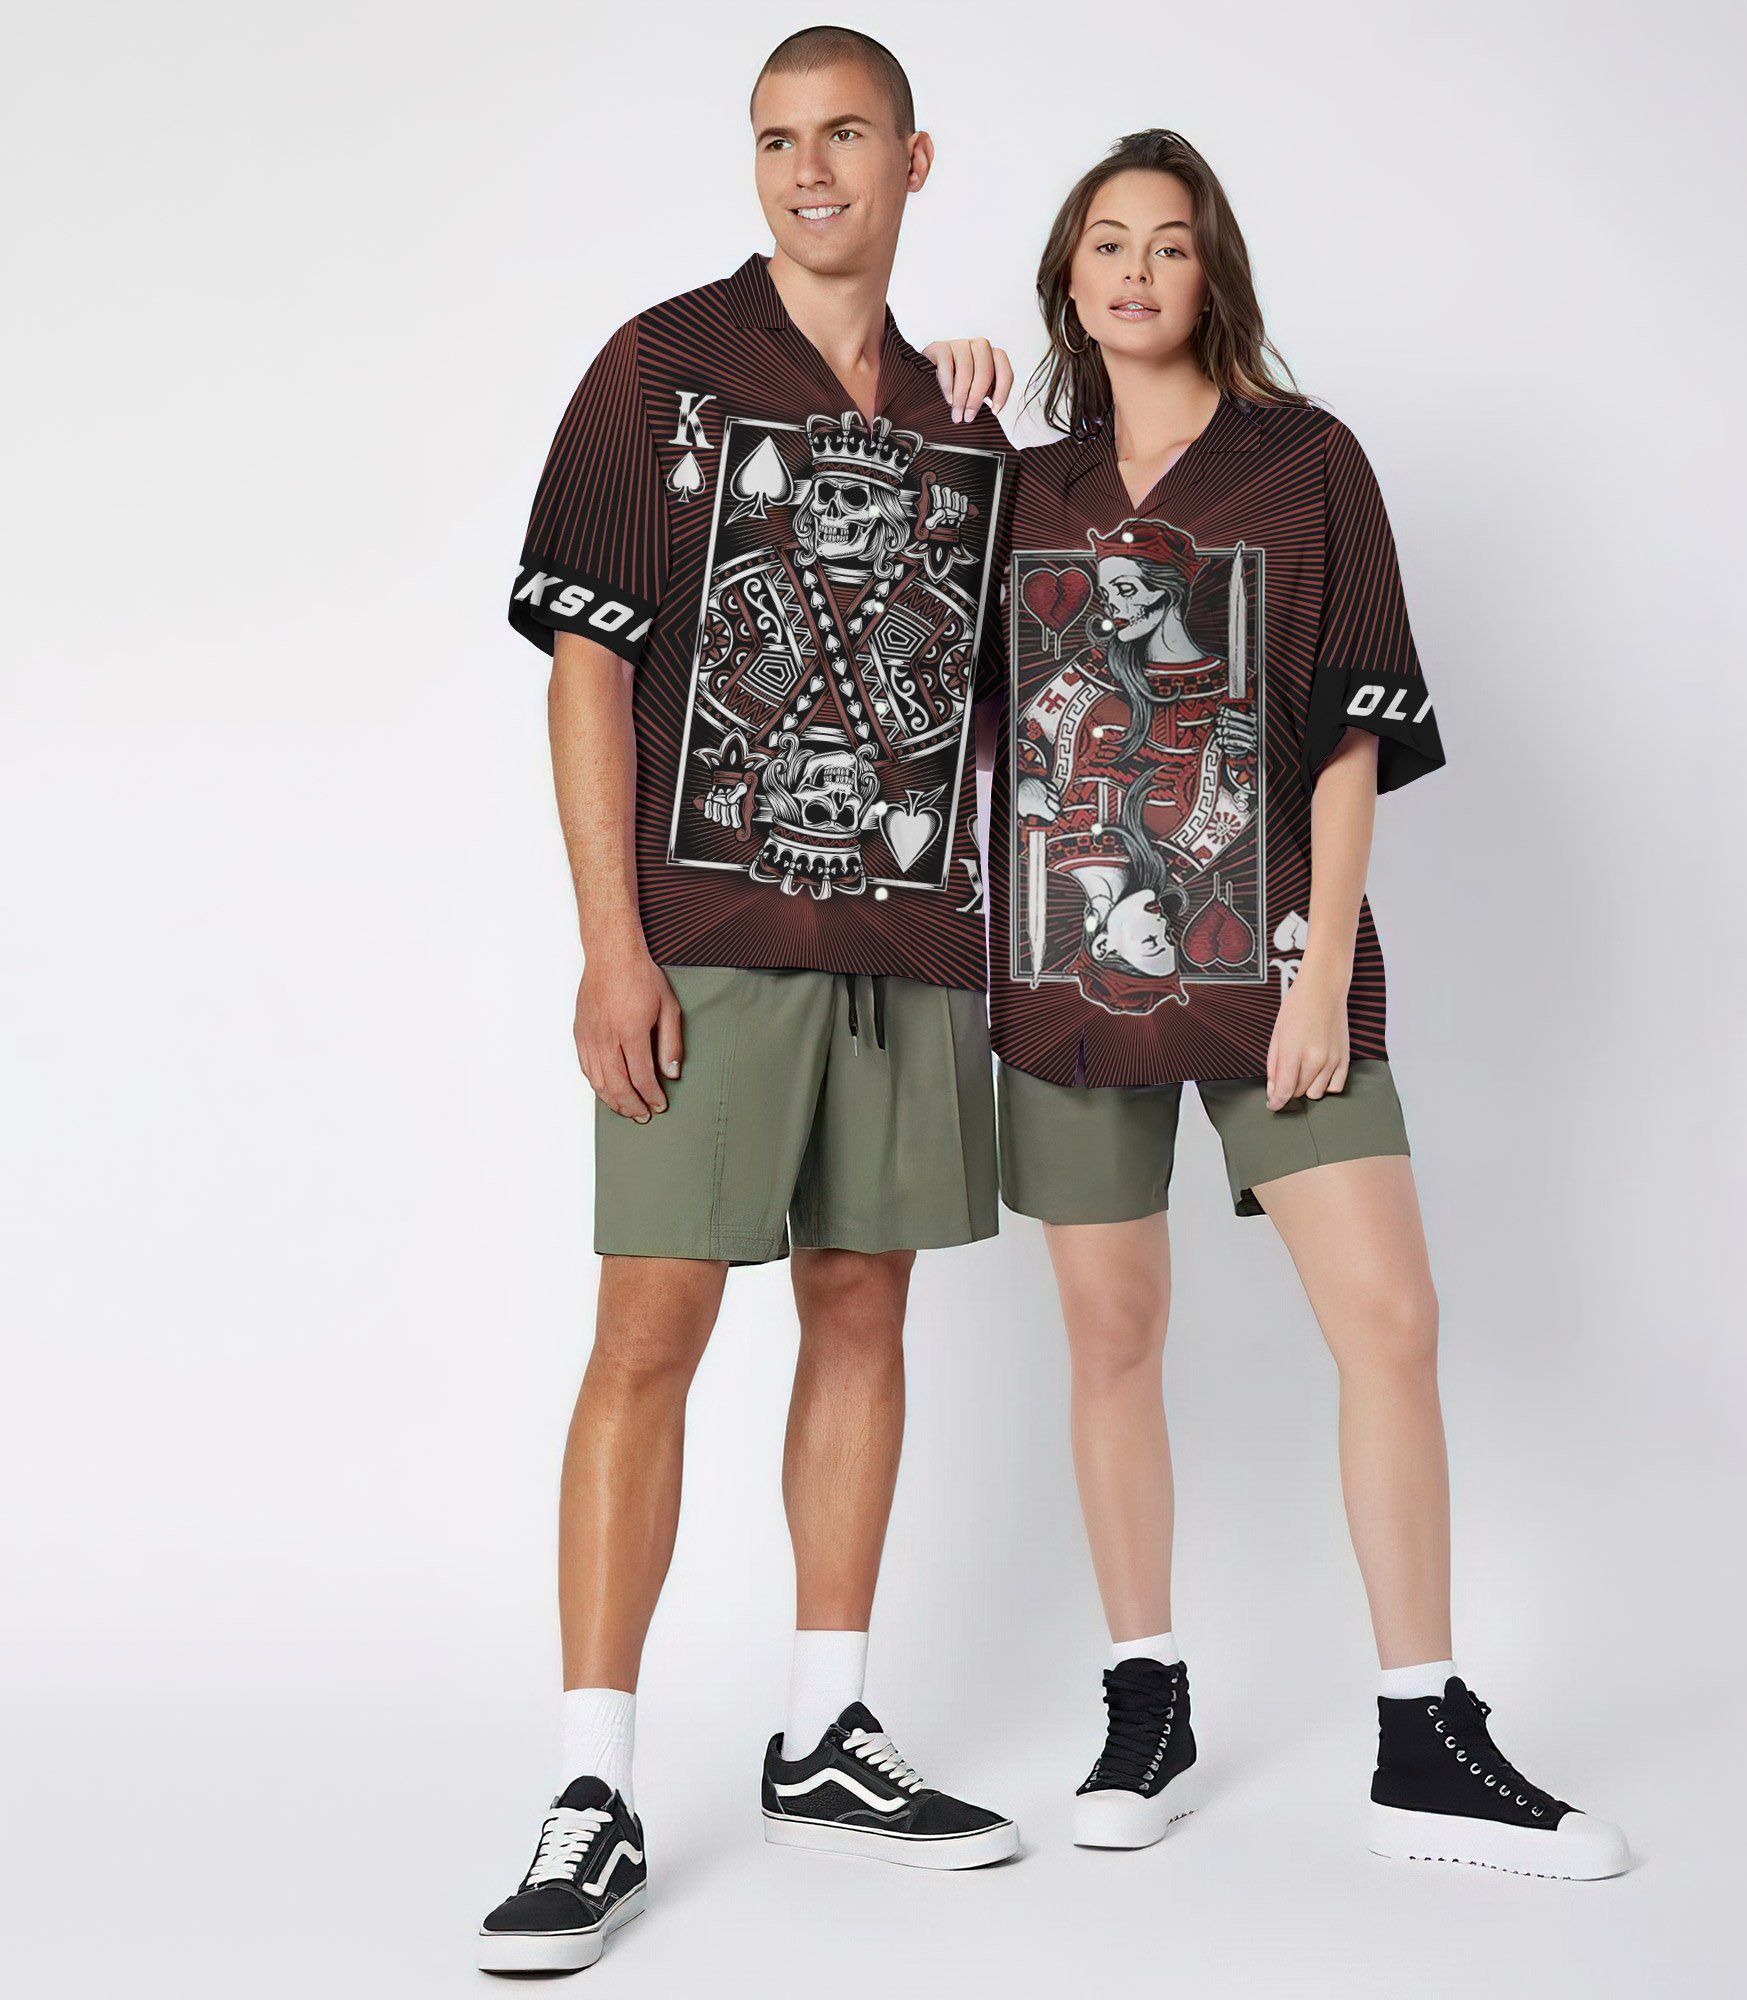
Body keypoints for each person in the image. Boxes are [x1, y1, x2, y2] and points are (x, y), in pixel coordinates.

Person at [989, 129, 1630, 1877]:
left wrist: (1324, 964)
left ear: (1213, 272)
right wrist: (934, 394)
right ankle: (1146, 1701)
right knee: (1112, 1335)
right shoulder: (1020, 489)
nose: (1135, 270)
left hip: (1276, 961)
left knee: (1390, 1321)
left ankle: (1423, 1727)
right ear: (1067, 280)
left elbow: (1349, 730)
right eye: (1105, 242)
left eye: (1168, 242)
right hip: (1069, 972)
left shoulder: (1304, 460)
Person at [479, 28, 1020, 1974]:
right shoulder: (661, 368)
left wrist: (1001, 416)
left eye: (845, 134)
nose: (809, 170)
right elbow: (585, 667)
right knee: (650, 1329)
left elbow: (1025, 679)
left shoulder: (966, 425)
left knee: (864, 1303)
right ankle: (593, 1786)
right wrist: (609, 943)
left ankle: (824, 1729)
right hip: (705, 937)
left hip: (904, 941)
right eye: (778, 139)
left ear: (913, 159)